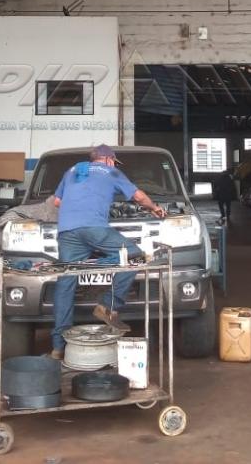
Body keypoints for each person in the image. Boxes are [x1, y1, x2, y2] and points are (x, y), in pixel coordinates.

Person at [49, 144, 166, 360]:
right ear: (109, 160)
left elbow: (57, 202)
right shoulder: (112, 172)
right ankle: (107, 305)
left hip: (67, 231)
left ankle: (58, 347)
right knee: (134, 256)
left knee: (66, 280)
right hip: (94, 228)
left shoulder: (73, 170)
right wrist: (155, 208)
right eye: (114, 162)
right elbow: (138, 197)